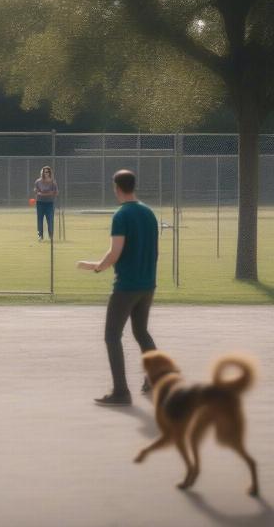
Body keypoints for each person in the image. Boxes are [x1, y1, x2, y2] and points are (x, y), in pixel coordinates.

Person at [77, 169, 158, 406]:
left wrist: (97, 267)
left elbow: (115, 253)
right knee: (141, 332)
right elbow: (155, 251)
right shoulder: (148, 212)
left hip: (127, 286)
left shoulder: (121, 215)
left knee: (112, 335)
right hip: (147, 284)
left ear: (116, 188)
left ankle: (121, 391)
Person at [33, 166, 58, 241]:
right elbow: (36, 190)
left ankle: (51, 236)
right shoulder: (38, 181)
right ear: (42, 172)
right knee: (40, 219)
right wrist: (38, 192)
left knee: (50, 219)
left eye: (47, 172)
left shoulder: (53, 182)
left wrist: (50, 193)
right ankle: (40, 235)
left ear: (50, 173)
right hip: (40, 203)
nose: (45, 173)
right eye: (44, 172)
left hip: (50, 203)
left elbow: (56, 192)